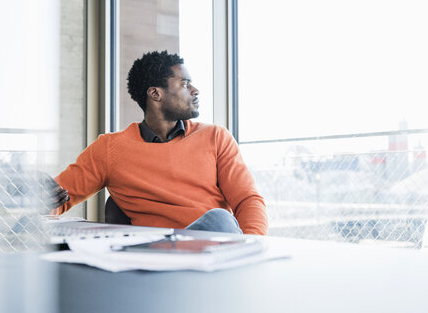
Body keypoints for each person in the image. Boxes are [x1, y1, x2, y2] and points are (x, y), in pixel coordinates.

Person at [52, 50, 268, 235]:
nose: (195, 91)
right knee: (221, 221)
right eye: (185, 84)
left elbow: (247, 200)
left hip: (212, 248)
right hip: (155, 255)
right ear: (155, 94)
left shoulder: (216, 137)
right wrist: (40, 196)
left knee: (219, 220)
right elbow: (56, 198)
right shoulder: (110, 149)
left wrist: (252, 245)